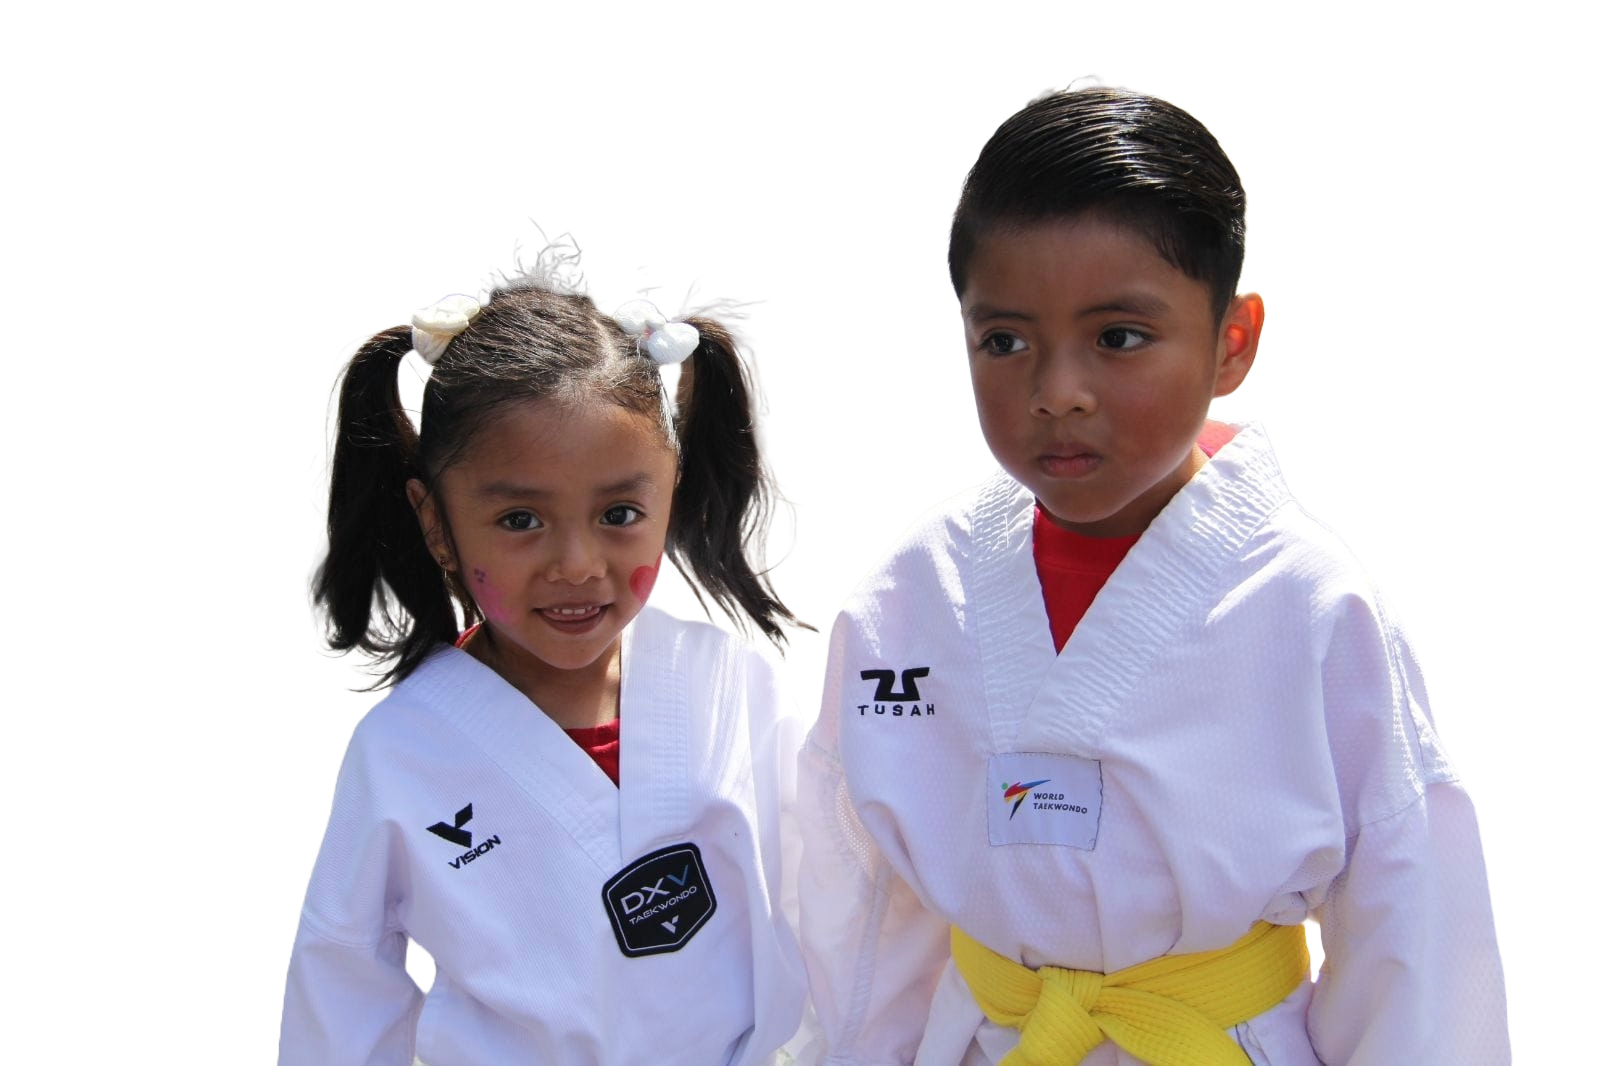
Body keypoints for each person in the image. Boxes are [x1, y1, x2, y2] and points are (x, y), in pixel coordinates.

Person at [793, 74, 1511, 1065]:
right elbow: (858, 896)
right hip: (983, 1039)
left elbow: (1411, 929)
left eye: (1119, 337)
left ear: (1233, 342)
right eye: (1004, 341)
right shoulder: (917, 588)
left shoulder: (1311, 602)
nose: (1058, 393)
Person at [280, 242, 819, 1065]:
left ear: (668, 490)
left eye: (618, 514)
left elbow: (821, 909)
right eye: (521, 521)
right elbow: (341, 987)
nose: (576, 564)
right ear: (437, 524)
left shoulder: (730, 686)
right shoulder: (402, 752)